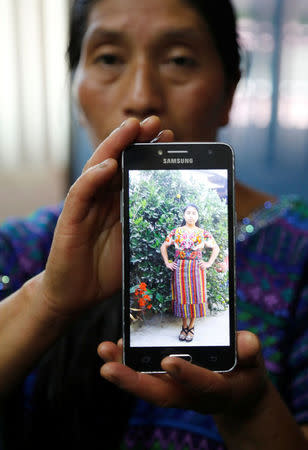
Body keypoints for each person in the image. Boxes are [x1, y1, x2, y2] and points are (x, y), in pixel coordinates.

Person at [0, 0, 308, 449]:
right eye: (108, 58)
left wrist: (252, 410)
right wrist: (46, 300)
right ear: (76, 91)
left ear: (228, 93)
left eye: (179, 60)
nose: (142, 94)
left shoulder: (299, 252)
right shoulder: (22, 248)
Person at [160, 204, 219, 342]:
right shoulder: (176, 232)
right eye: (188, 213)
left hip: (196, 268)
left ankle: (191, 327)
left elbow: (215, 248)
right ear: (184, 215)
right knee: (182, 297)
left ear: (197, 216)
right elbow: (164, 246)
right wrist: (167, 262)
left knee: (195, 297)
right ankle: (184, 326)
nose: (191, 215)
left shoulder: (203, 233)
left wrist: (209, 263)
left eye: (194, 213)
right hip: (179, 267)